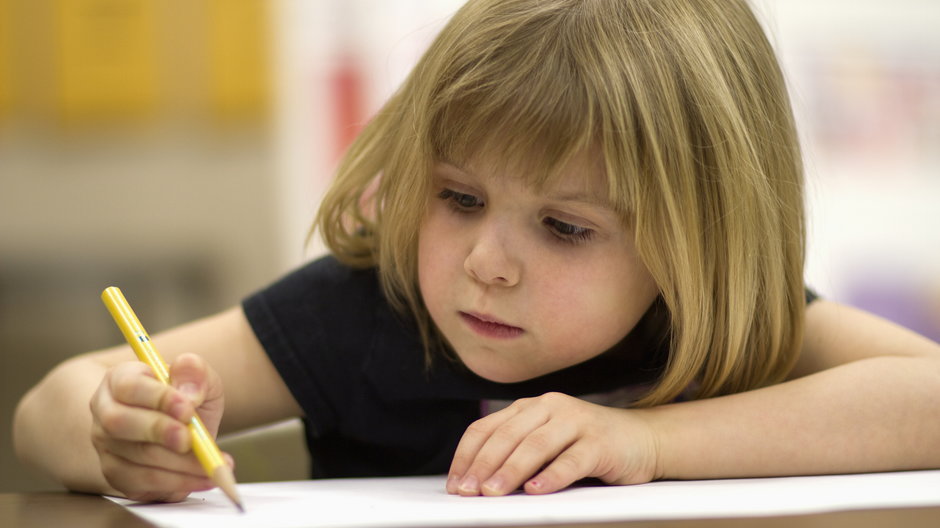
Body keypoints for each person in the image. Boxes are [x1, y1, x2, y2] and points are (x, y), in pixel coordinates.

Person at [13, 0, 940, 503]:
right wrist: (120, 431)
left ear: (695, 246)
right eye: (458, 198)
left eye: (566, 228)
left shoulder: (713, 327)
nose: (486, 262)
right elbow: (45, 411)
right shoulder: (365, 312)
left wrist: (649, 440)